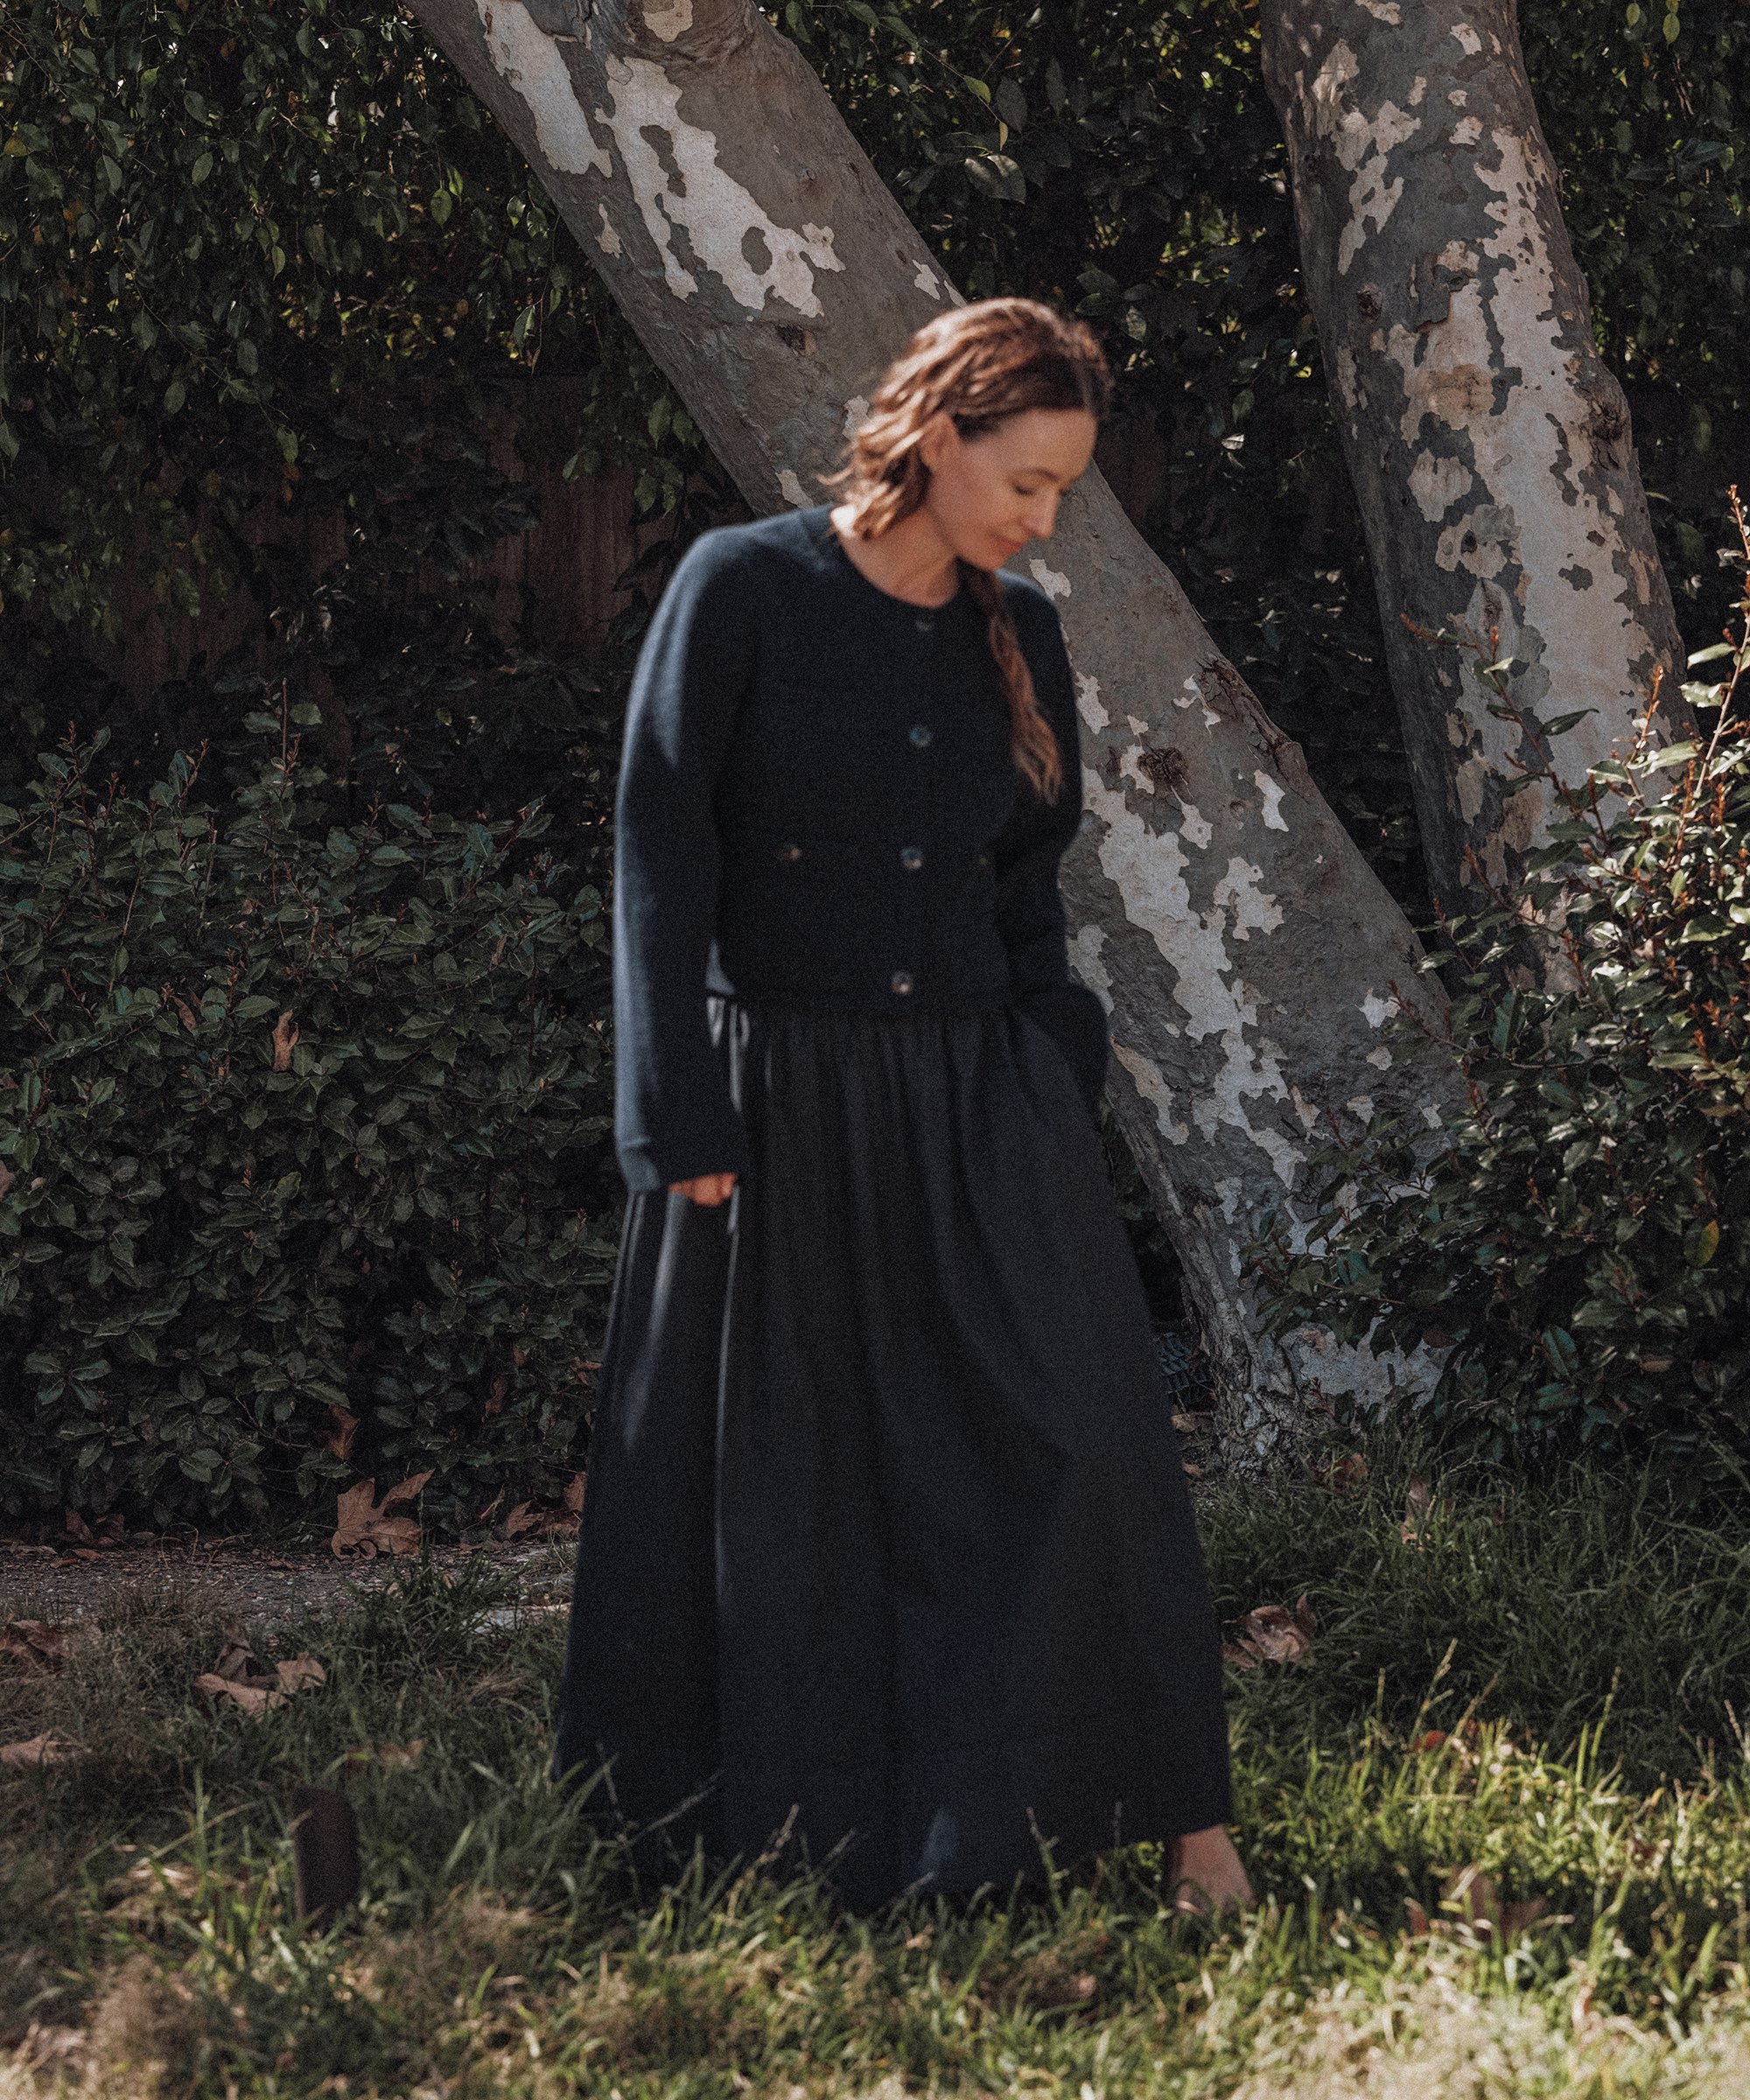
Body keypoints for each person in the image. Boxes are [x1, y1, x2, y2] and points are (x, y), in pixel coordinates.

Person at [552, 298, 1250, 1916]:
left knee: (1086, 1448)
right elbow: (663, 852)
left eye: (1065, 490)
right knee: (788, 1483)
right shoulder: (742, 587)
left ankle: (1170, 1817)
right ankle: (804, 1844)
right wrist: (677, 1122)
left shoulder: (1022, 632)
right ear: (940, 439)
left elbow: (1028, 887)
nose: (1043, 517)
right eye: (1029, 481)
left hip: (977, 1095)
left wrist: (1050, 1062)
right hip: (774, 1102)